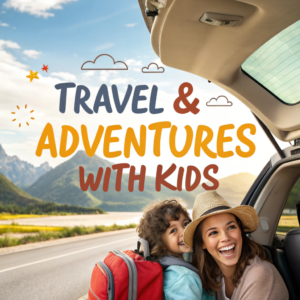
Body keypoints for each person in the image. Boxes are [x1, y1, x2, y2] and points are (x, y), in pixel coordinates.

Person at [183, 190, 289, 300]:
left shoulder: (260, 274)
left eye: (231, 227)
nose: (225, 237)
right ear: (202, 243)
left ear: (240, 231)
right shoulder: (214, 276)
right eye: (213, 232)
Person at [137, 198, 215, 300]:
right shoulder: (184, 278)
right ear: (161, 243)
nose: (184, 231)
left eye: (186, 224)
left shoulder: (167, 268)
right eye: (173, 230)